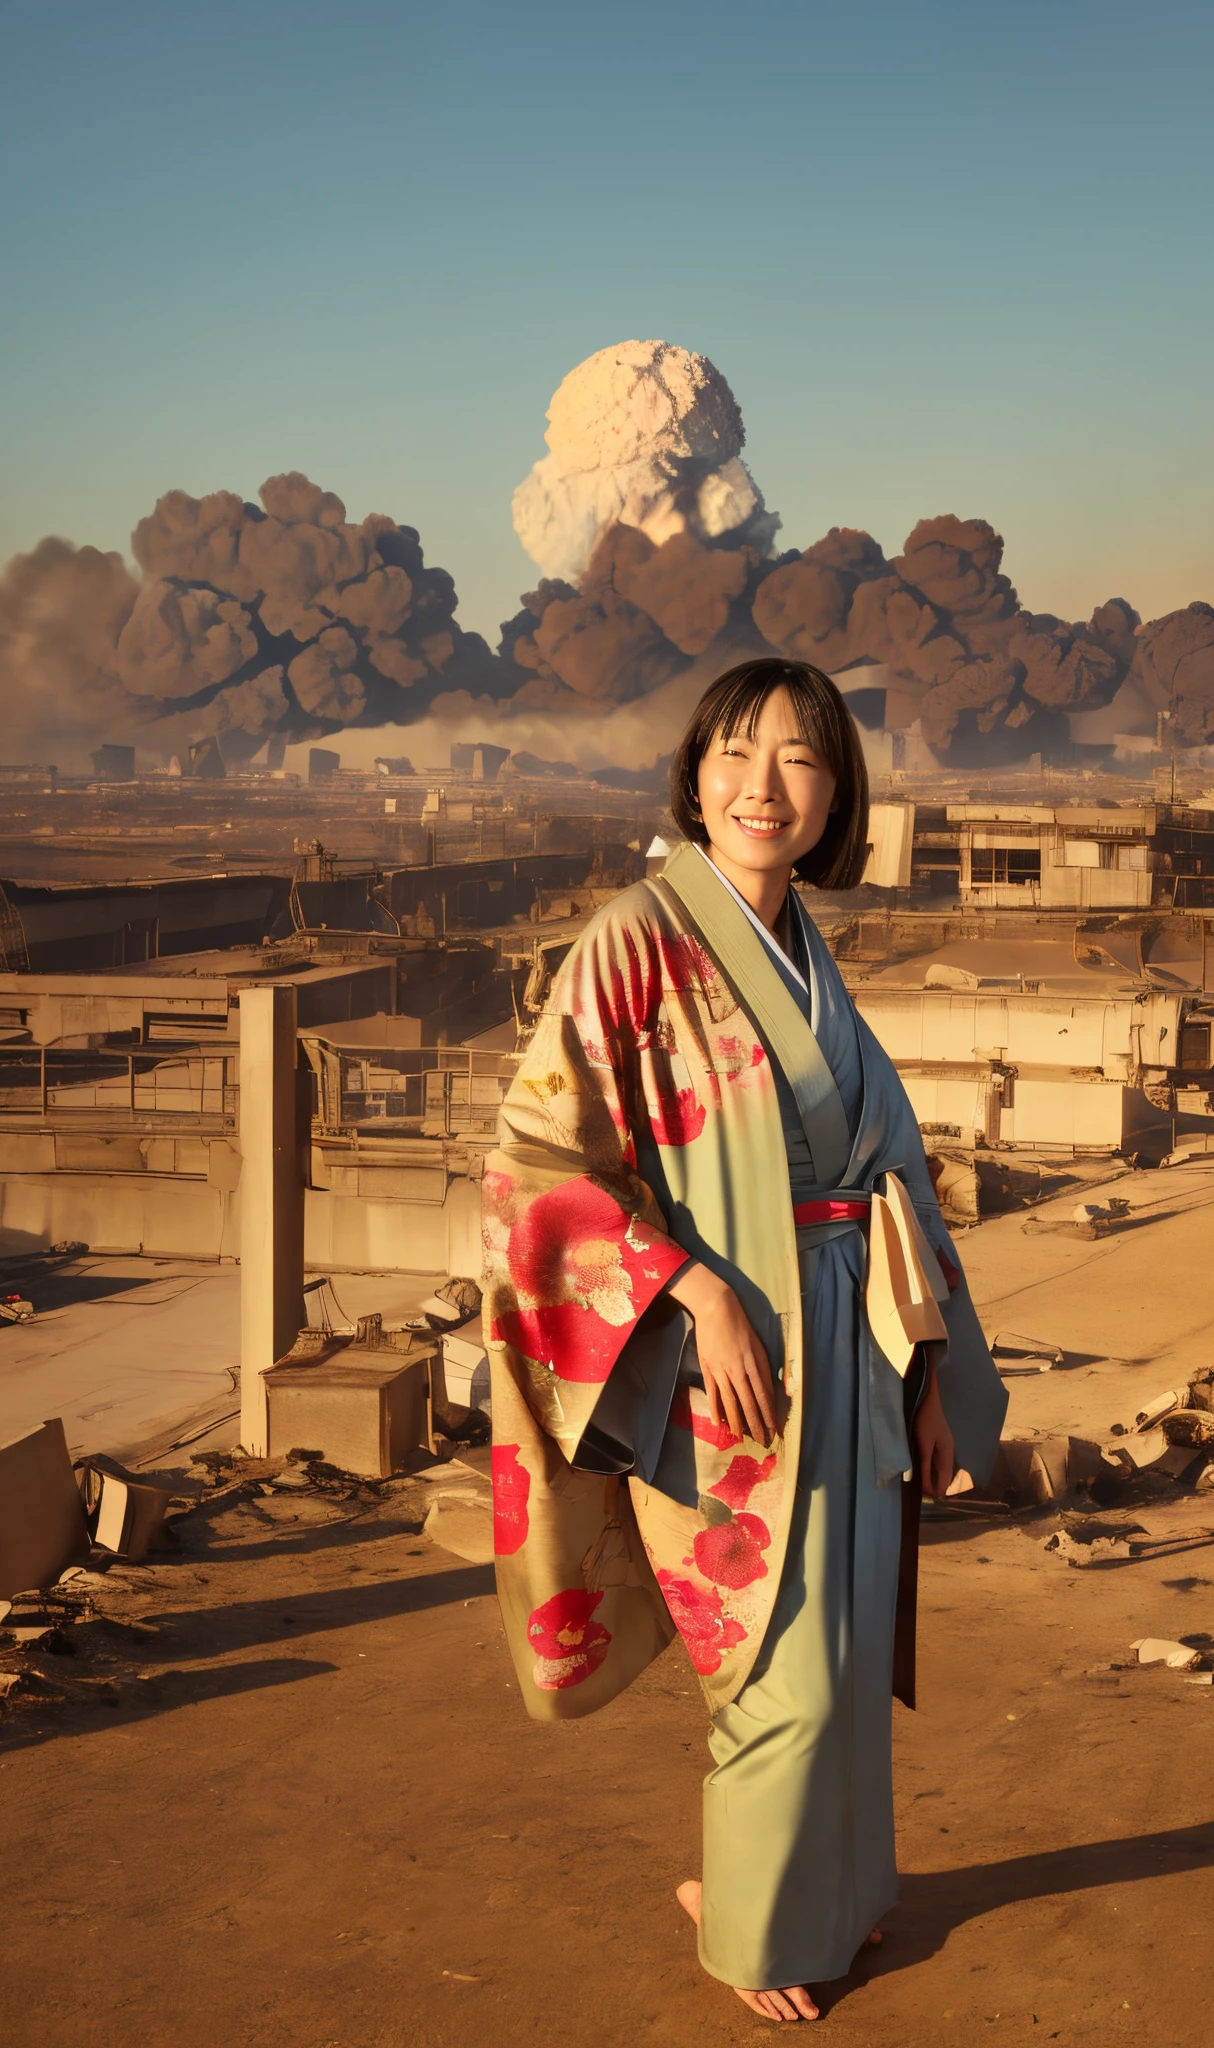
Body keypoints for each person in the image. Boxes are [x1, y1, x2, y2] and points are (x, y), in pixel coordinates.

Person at [482, 657, 1008, 2022]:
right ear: (694, 774)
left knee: (840, 1644)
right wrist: (691, 1292)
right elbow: (538, 1158)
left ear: (836, 794)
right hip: (718, 1354)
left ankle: (821, 1893)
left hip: (853, 1337)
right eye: (732, 752)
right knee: (764, 1653)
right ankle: (758, 1931)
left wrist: (937, 1367)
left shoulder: (807, 957)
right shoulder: (632, 937)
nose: (760, 786)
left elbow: (896, 1166)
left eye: (798, 759)